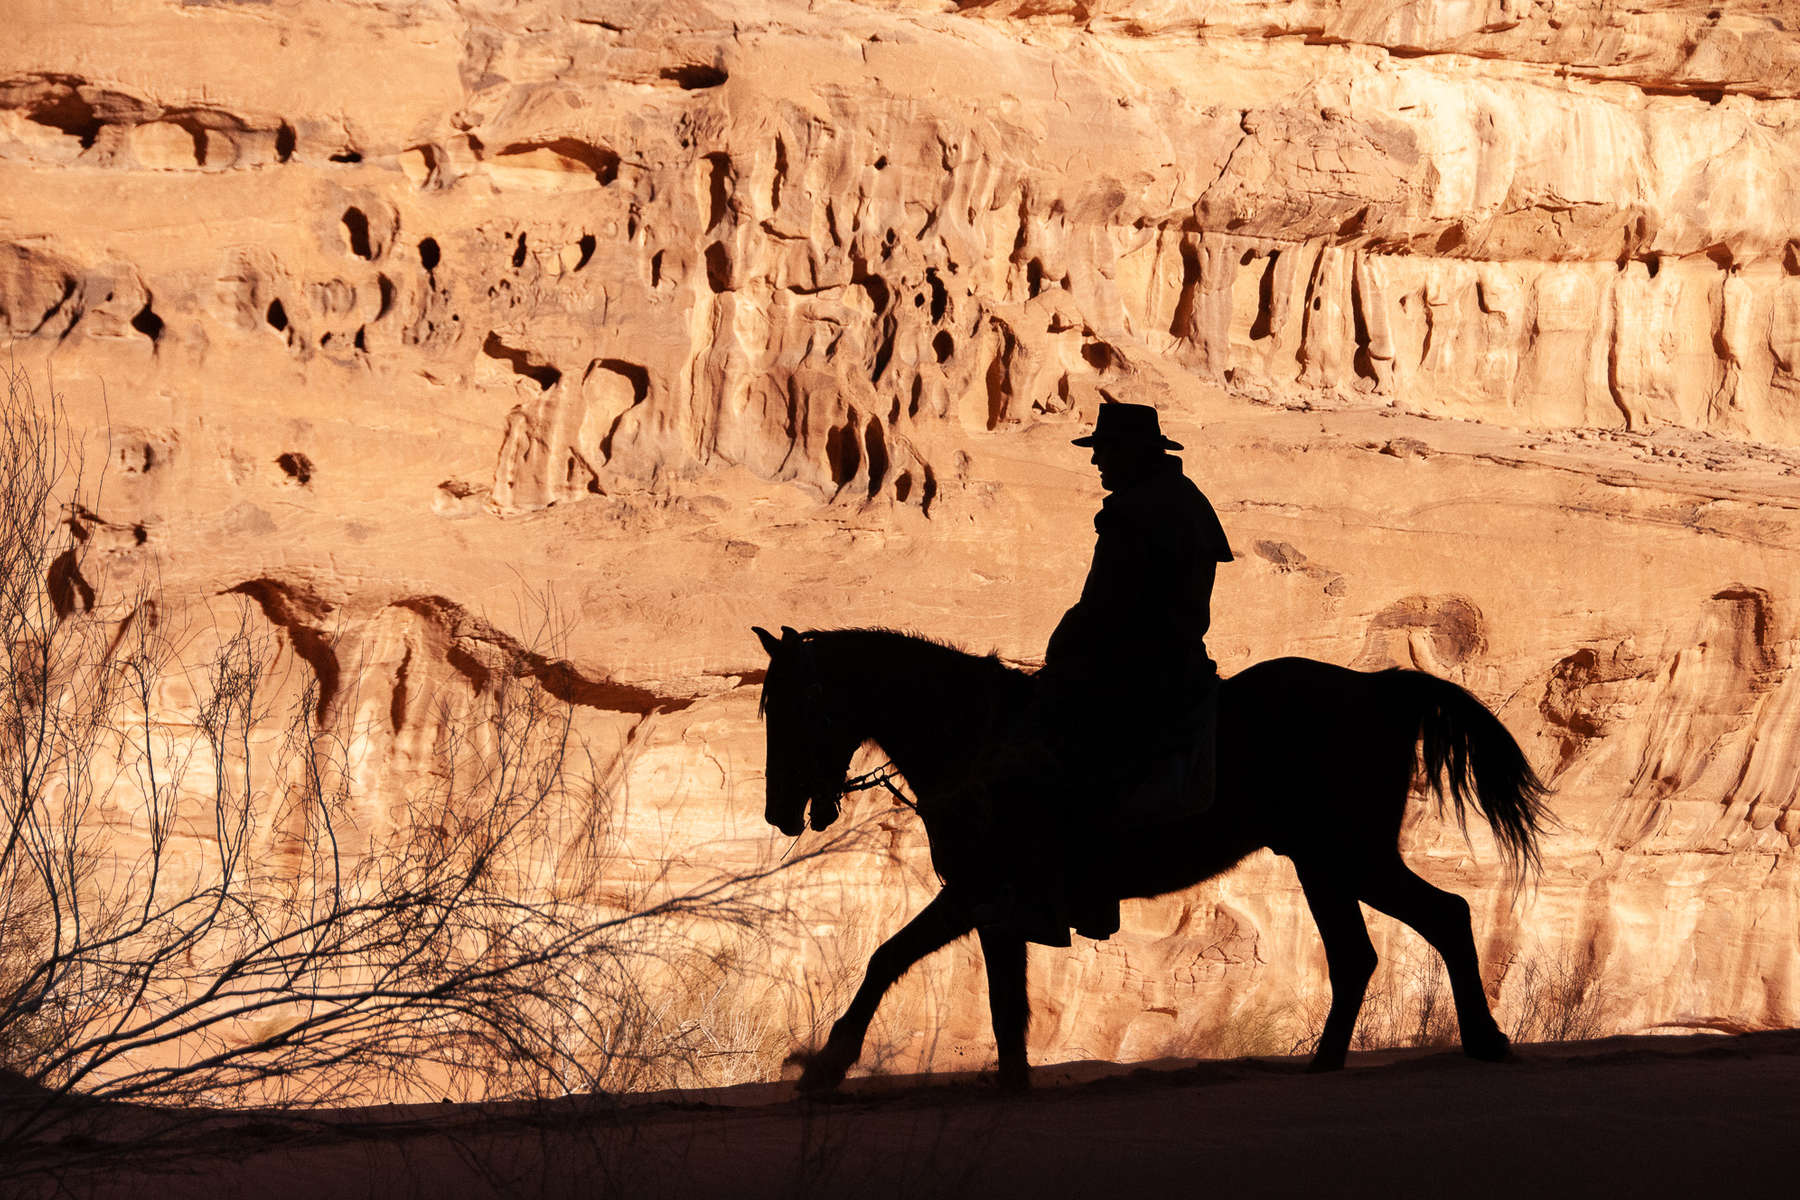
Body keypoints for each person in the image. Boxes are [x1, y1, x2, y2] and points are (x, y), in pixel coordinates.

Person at [1038, 402, 1233, 939]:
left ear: (1131, 453)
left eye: (1103, 452)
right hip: (1170, 658)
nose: (1097, 462)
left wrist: (1064, 650)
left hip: (1143, 667)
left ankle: (1087, 894)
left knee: (1066, 760)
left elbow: (1104, 604)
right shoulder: (1183, 501)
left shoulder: (1137, 511)